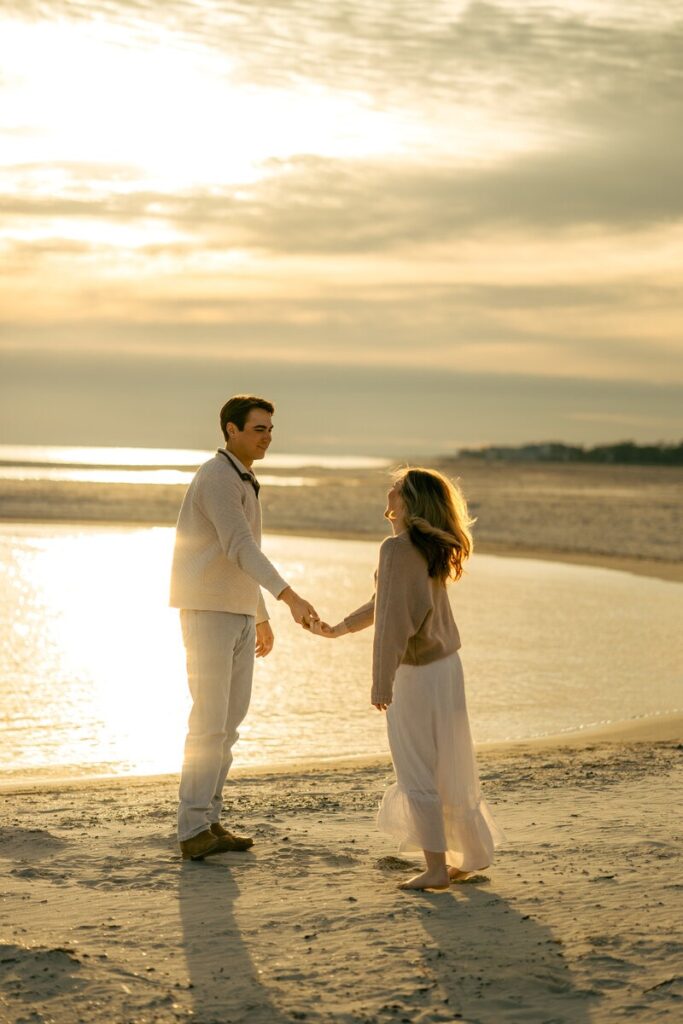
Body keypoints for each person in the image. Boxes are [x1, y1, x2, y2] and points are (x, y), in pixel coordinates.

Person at [311, 467, 503, 890]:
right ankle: (465, 857)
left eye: (397, 486)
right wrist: (340, 628)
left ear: (409, 501)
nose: (390, 489)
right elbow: (387, 603)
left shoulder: (397, 548)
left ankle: (435, 869)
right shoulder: (428, 546)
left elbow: (392, 625)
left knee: (417, 768)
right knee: (449, 765)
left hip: (415, 674)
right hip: (447, 669)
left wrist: (381, 681)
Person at [170, 394, 319, 861]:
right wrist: (289, 596)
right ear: (231, 430)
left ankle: (209, 821)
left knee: (229, 725)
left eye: (270, 429)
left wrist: (260, 615)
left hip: (236, 612)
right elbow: (240, 546)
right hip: (207, 610)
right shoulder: (217, 476)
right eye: (259, 429)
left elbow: (241, 555)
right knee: (208, 723)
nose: (267, 437)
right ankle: (193, 827)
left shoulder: (243, 478)